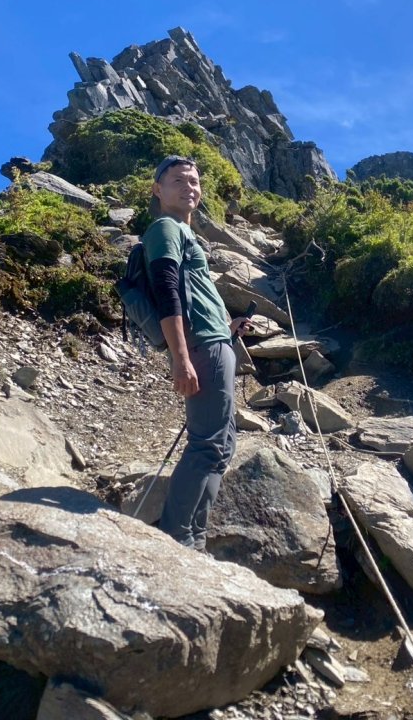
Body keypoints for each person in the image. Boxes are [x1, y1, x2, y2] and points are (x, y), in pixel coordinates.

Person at [143, 155, 252, 551]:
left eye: (194, 180)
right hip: (201, 348)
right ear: (158, 190)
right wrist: (181, 357)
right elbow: (166, 292)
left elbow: (193, 296)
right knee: (207, 444)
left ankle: (195, 537)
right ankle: (177, 540)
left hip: (216, 341)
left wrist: (228, 328)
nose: (189, 186)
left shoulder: (186, 235)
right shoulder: (165, 228)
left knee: (222, 446)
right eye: (177, 180)